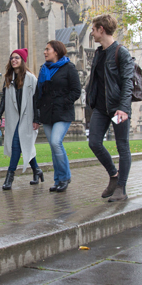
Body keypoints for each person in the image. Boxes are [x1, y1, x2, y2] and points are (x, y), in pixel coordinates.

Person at [84, 14, 134, 202]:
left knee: (122, 146)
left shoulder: (121, 52)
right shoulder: (99, 53)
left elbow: (128, 83)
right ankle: (114, 175)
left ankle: (121, 187)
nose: (92, 33)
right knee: (94, 142)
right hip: (101, 109)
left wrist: (123, 108)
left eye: (94, 29)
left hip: (118, 109)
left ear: (101, 30)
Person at [33, 40, 81, 192]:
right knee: (54, 148)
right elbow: (38, 94)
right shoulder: (43, 69)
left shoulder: (69, 68)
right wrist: (36, 115)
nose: (45, 52)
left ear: (56, 51)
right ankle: (58, 180)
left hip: (62, 112)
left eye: (47, 49)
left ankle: (65, 177)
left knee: (56, 143)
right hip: (47, 114)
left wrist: (64, 102)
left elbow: (76, 91)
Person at [0, 48, 42, 190]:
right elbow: (3, 99)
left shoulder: (31, 78)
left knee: (17, 145)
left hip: (28, 119)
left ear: (22, 61)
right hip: (14, 118)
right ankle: (37, 170)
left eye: (17, 58)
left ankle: (9, 177)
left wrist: (37, 119)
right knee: (25, 145)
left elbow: (36, 100)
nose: (14, 60)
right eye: (12, 58)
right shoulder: (8, 78)